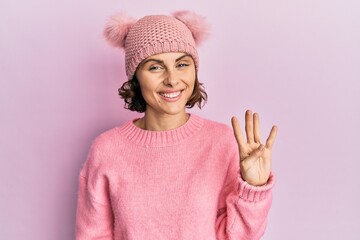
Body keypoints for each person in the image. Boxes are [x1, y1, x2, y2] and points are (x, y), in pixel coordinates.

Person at [76, 10, 278, 240]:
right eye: (155, 67)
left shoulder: (223, 142)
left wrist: (253, 188)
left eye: (182, 64)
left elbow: (237, 236)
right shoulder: (106, 150)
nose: (172, 79)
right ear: (135, 77)